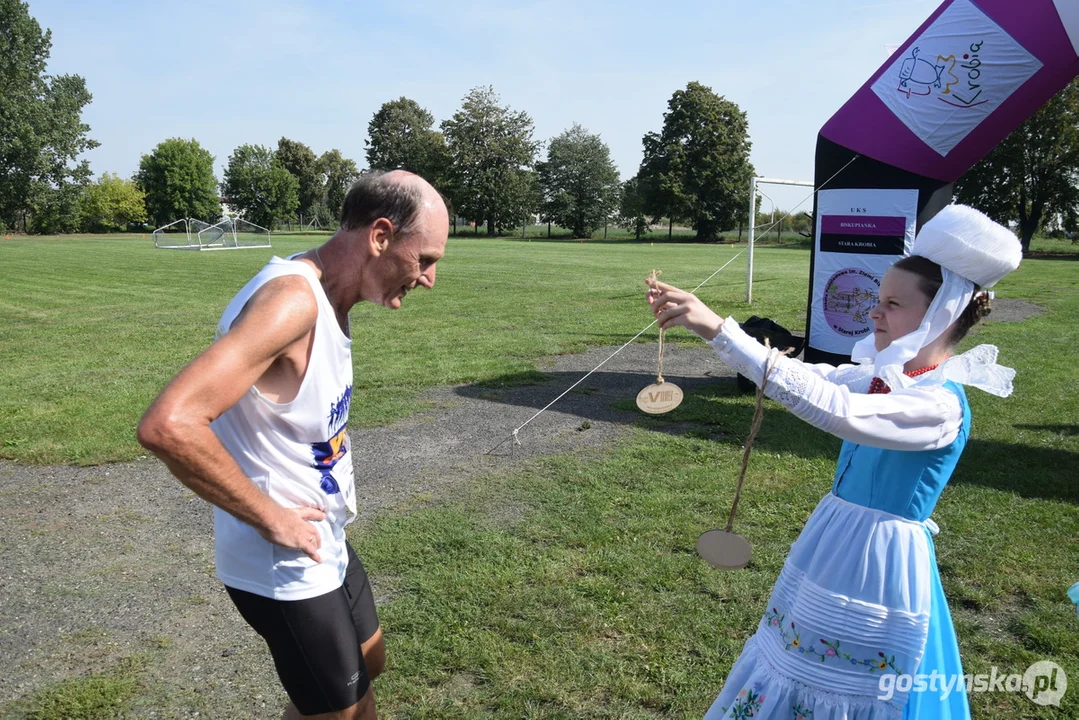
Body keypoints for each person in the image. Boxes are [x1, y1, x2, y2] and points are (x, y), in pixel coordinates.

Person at [646, 204, 1022, 719]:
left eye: (892, 303)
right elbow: (813, 378)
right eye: (877, 300)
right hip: (835, 541)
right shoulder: (887, 379)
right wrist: (707, 328)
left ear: (942, 315)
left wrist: (719, 328)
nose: (875, 313)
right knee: (795, 662)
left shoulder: (937, 405)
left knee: (851, 687)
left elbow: (839, 412)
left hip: (878, 561)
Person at [137, 170, 449, 720]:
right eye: (424, 260)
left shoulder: (331, 297)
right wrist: (272, 517)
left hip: (323, 536)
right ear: (380, 237)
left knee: (368, 662)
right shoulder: (291, 304)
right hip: (283, 560)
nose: (426, 279)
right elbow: (169, 423)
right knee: (352, 713)